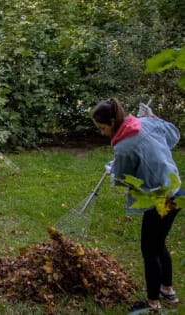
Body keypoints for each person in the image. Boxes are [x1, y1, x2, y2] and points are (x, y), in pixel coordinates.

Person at [91, 98, 183, 313]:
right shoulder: (143, 124)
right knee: (159, 244)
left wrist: (112, 170)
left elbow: (123, 177)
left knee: (149, 250)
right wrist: (152, 119)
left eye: (103, 128)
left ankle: (152, 303)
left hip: (160, 198)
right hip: (176, 191)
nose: (103, 133)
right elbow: (170, 135)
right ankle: (168, 291)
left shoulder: (123, 146)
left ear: (113, 121)